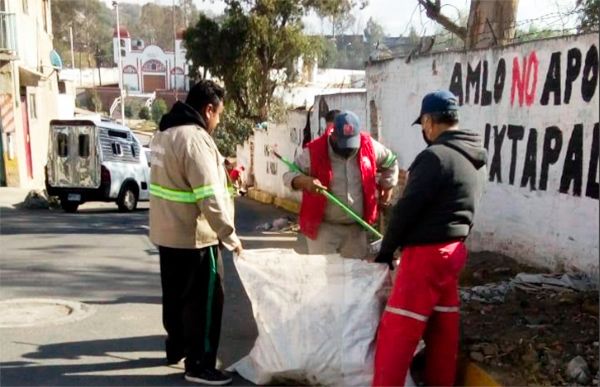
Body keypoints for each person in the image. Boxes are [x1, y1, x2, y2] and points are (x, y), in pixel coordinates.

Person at [372, 90, 487, 386]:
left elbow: (405, 210)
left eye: (423, 124)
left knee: (397, 331)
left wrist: (387, 250)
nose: (424, 130)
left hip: (425, 256)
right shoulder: (474, 159)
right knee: (442, 329)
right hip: (454, 253)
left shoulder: (433, 157)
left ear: (428, 121)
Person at [149, 80, 243, 385]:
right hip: (195, 238)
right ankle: (200, 364)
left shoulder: (164, 133)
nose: (217, 122)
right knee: (205, 303)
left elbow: (177, 178)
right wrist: (229, 236)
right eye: (218, 115)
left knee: (175, 298)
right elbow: (209, 195)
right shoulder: (196, 139)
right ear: (208, 109)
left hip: (166, 234)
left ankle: (176, 346)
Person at [283, 110, 398, 259]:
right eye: (343, 143)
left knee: (355, 279)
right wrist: (305, 182)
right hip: (324, 229)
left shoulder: (369, 146)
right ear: (333, 134)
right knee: (326, 278)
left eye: (351, 144)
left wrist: (387, 189)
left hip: (356, 229)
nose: (347, 149)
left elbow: (391, 162)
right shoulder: (314, 151)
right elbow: (288, 175)